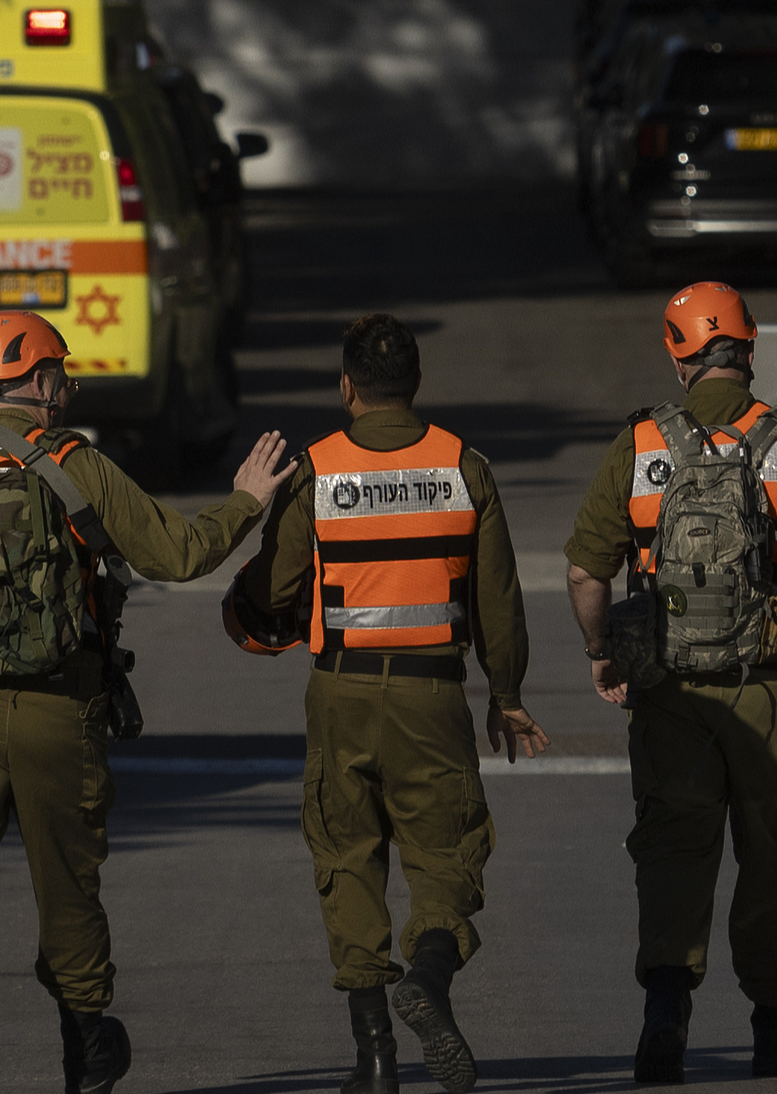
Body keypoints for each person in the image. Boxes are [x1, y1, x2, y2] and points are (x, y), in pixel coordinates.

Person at [0, 311, 295, 1094]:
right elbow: (178, 553)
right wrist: (246, 502)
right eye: (62, 373)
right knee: (68, 887)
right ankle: (85, 1055)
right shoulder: (78, 466)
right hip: (59, 711)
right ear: (42, 384)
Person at [564, 282, 777, 1083]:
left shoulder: (639, 445)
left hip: (671, 691)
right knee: (773, 853)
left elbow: (584, 572)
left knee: (674, 849)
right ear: (749, 347)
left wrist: (602, 651)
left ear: (679, 356)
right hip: (770, 684)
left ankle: (666, 1014)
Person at [232, 313, 547, 1094]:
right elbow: (499, 601)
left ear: (347, 388)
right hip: (431, 694)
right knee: (446, 855)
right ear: (414, 385)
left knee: (347, 859)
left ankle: (374, 1060)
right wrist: (505, 697)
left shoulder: (317, 469)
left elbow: (272, 589)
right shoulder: (462, 466)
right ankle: (430, 979)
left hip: (339, 692)